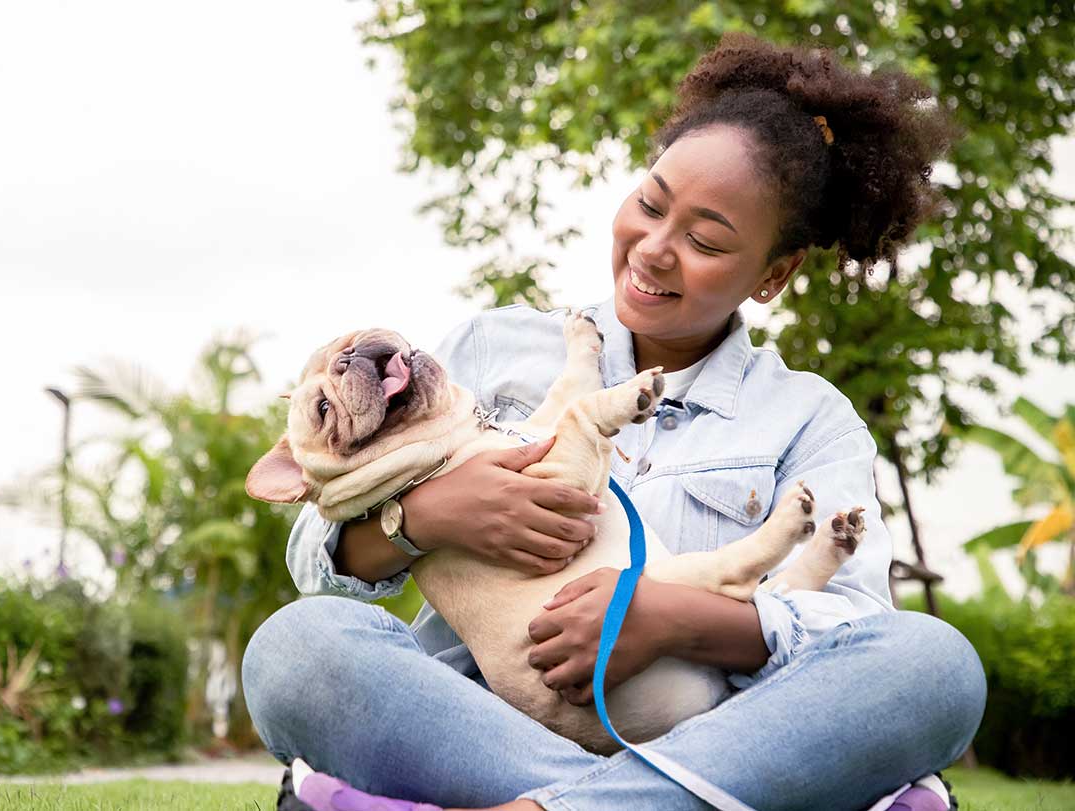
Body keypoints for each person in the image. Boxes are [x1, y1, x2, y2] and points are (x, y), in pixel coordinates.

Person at [242, 33, 986, 811]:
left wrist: (671, 618)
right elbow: (314, 556)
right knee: (296, 648)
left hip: (719, 734)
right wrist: (425, 515)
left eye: (703, 239)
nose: (655, 249)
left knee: (934, 664)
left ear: (773, 274)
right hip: (477, 728)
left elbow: (849, 622)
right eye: (650, 203)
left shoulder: (811, 419)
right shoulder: (495, 347)